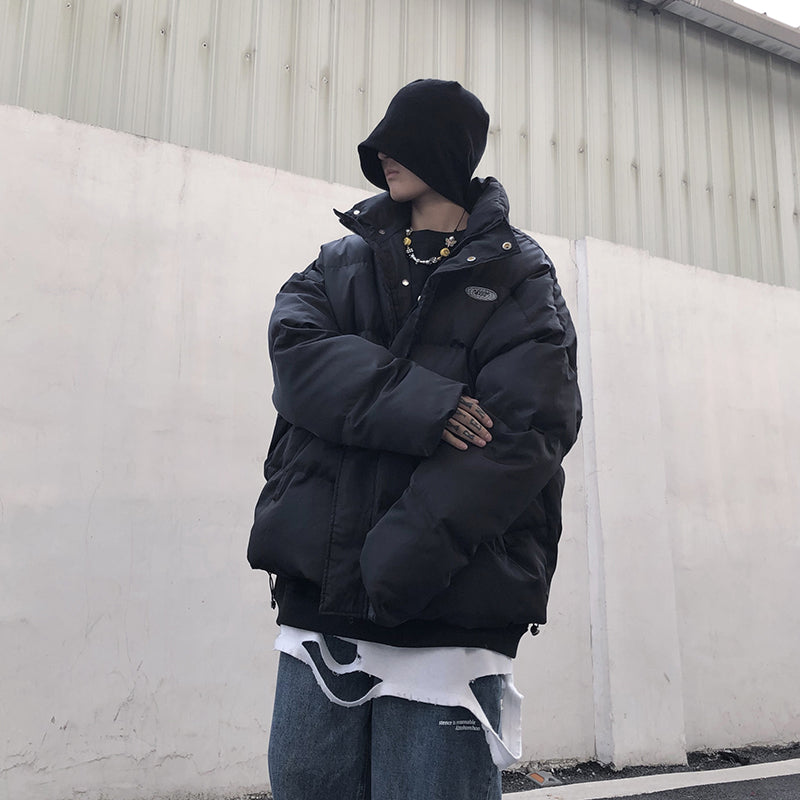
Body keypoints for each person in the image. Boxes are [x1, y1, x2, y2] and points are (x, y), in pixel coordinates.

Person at [248, 79, 581, 800]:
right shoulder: (341, 262)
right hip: (320, 603)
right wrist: (427, 402)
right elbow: (297, 357)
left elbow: (526, 431)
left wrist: (397, 560)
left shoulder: (519, 276)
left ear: (448, 152)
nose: (382, 155)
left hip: (446, 605)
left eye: (402, 141)